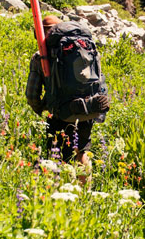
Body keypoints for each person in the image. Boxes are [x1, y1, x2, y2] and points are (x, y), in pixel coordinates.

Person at [24, 15, 108, 165]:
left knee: (57, 156)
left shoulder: (40, 58)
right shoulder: (87, 48)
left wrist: (42, 108)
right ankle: (84, 188)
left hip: (60, 112)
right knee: (81, 153)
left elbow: (31, 94)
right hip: (88, 108)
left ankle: (61, 186)